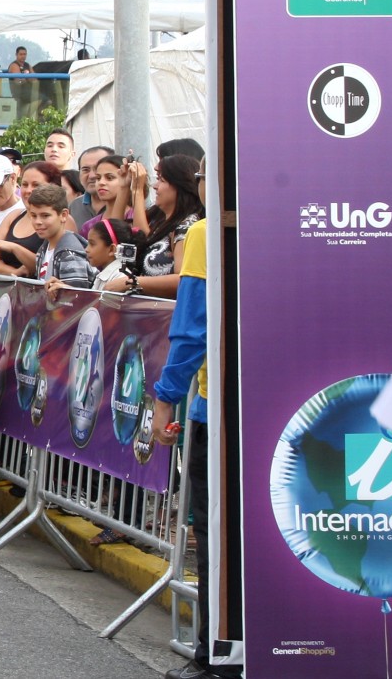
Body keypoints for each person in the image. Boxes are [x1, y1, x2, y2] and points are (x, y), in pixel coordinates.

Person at [150, 214, 216, 679]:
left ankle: (217, 656)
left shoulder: (206, 232)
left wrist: (165, 398)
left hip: (222, 412)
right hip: (303, 410)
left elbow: (193, 327)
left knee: (217, 538)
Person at [134, 155, 204, 297]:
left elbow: (183, 279)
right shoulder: (163, 223)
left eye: (161, 180)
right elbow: (140, 233)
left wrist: (131, 283)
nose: (155, 185)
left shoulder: (187, 225)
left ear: (181, 185)